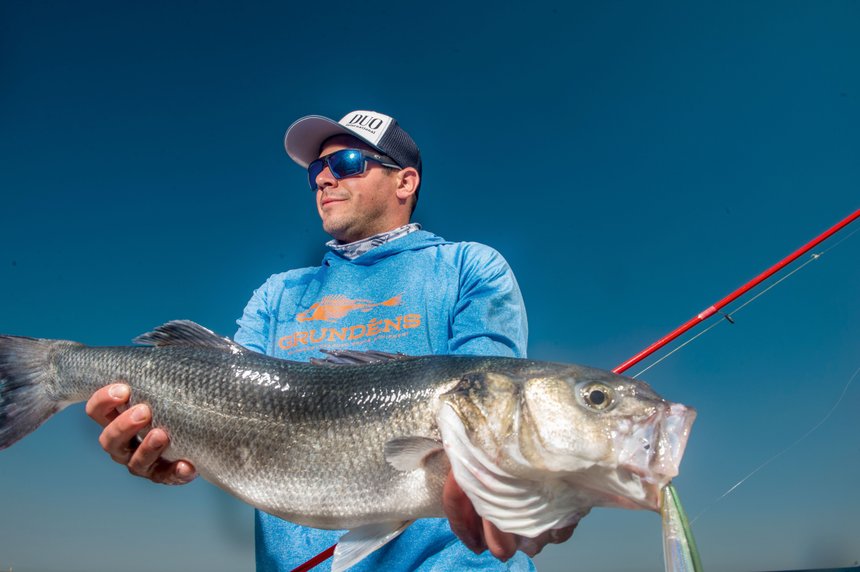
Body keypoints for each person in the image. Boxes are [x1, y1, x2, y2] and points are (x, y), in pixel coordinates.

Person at [85, 110, 575, 570]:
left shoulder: (470, 268)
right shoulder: (276, 295)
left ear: (405, 181)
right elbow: (222, 407)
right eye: (316, 169)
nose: (324, 178)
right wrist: (159, 448)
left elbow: (491, 422)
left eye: (346, 162)